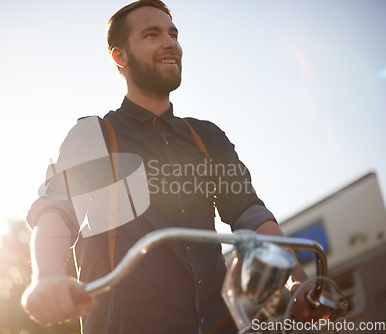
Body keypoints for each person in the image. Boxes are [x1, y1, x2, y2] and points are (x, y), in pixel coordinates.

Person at [21, 1, 330, 333]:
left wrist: (297, 282)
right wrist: (48, 275)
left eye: (173, 34)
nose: (170, 43)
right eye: (152, 35)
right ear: (120, 57)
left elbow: (249, 212)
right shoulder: (95, 134)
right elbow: (57, 209)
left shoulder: (206, 137)